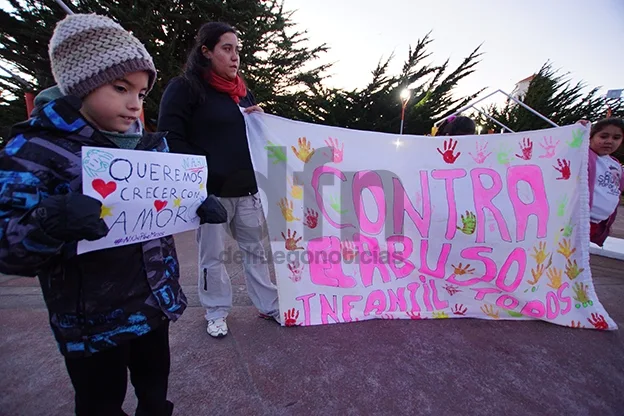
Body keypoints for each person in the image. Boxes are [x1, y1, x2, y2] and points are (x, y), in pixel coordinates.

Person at [0, 13, 225, 415]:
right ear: (80, 86)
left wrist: (196, 204)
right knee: (100, 404)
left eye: (140, 93)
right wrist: (49, 222)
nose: (134, 104)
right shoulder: (33, 151)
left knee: (155, 394)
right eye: (121, 88)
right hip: (92, 323)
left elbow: (160, 208)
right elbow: (8, 248)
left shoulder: (149, 148)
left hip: (153, 306)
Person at [158, 22, 280, 338]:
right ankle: (215, 312)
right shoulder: (185, 88)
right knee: (211, 256)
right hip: (209, 194)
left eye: (237, 49)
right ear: (206, 51)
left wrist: (259, 121)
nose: (235, 56)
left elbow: (251, 137)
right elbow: (171, 136)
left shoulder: (240, 92)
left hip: (246, 189)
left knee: (255, 252)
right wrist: (200, 179)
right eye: (227, 48)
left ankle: (269, 306)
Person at [585, 118, 624, 246]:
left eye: (616, 138)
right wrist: (578, 131)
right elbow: (568, 147)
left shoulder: (616, 164)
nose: (609, 141)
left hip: (597, 224)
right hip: (578, 221)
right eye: (603, 136)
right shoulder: (584, 155)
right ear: (590, 137)